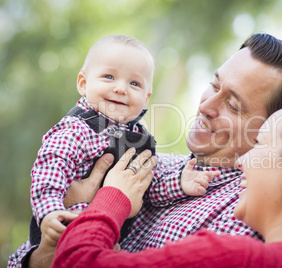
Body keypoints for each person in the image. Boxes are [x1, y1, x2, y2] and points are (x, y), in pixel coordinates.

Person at [9, 33, 282, 267]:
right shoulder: (160, 164)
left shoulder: (246, 215)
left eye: (233, 105)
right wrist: (42, 250)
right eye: (214, 85)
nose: (206, 106)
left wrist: (106, 200)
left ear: (273, 125)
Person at [52, 97, 282, 267]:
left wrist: (112, 196)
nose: (243, 161)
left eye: (259, 145)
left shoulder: (233, 256)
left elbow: (76, 261)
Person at [8, 34, 218, 268]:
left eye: (134, 84)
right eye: (109, 77)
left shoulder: (141, 139)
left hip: (104, 245)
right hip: (61, 232)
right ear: (83, 83)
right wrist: (50, 212)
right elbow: (48, 173)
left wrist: (179, 183)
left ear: (146, 97)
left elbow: (146, 186)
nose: (120, 89)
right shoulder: (76, 130)